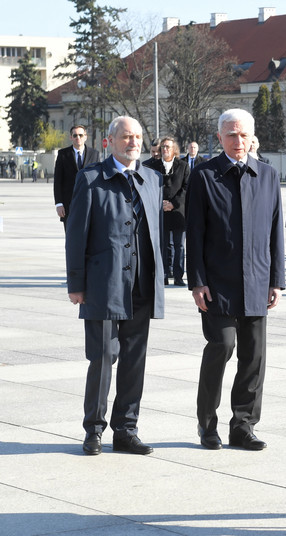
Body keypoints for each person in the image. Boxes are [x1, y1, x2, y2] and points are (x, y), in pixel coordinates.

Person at [186, 109, 285, 451]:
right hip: (217, 283)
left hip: (258, 281)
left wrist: (277, 280)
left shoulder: (268, 176)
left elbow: (275, 231)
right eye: (231, 135)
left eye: (243, 135)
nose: (238, 141)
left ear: (252, 137)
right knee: (222, 346)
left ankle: (243, 425)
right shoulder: (203, 175)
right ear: (219, 138)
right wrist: (197, 281)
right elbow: (194, 233)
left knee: (254, 356)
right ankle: (207, 423)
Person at [65, 116, 164, 456]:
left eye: (137, 137)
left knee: (135, 359)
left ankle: (126, 430)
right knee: (103, 357)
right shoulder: (91, 179)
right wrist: (76, 283)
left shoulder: (152, 178)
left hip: (141, 285)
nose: (132, 142)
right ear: (109, 141)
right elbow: (75, 235)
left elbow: (156, 234)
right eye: (125, 137)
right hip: (103, 284)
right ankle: (93, 430)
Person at [144, 136, 190, 286]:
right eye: (163, 147)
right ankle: (163, 274)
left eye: (168, 147)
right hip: (160, 211)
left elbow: (186, 188)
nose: (165, 149)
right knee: (162, 246)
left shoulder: (183, 166)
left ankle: (178, 275)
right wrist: (161, 204)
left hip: (178, 212)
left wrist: (173, 204)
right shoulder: (153, 166)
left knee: (179, 246)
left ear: (174, 149)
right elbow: (150, 187)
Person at [54, 125, 101, 229]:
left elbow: (98, 180)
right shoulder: (63, 154)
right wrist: (59, 204)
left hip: (90, 204)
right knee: (71, 239)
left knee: (90, 240)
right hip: (68, 205)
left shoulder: (95, 154)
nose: (78, 138)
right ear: (71, 137)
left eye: (80, 135)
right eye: (75, 135)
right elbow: (58, 181)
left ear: (85, 136)